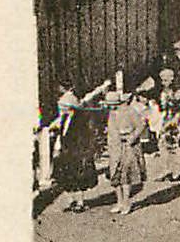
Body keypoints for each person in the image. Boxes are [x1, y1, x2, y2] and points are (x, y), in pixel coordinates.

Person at [50, 79, 102, 212]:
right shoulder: (64, 120)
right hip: (68, 151)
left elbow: (84, 137)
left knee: (79, 178)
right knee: (69, 177)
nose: (62, 110)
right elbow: (62, 135)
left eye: (64, 107)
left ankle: (80, 202)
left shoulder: (79, 121)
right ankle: (74, 200)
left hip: (77, 152)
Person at [103, 88, 149, 217]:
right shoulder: (111, 114)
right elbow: (112, 129)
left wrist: (132, 137)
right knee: (115, 175)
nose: (110, 107)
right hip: (114, 147)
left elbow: (141, 125)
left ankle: (126, 202)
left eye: (112, 104)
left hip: (128, 146)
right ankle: (119, 201)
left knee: (126, 175)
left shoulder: (130, 111)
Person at [155, 68, 180, 183]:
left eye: (165, 80)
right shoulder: (164, 91)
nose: (163, 82)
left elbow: (178, 105)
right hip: (167, 119)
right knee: (162, 144)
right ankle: (166, 169)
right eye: (162, 80)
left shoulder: (178, 91)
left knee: (178, 144)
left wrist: (167, 99)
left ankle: (178, 171)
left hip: (177, 119)